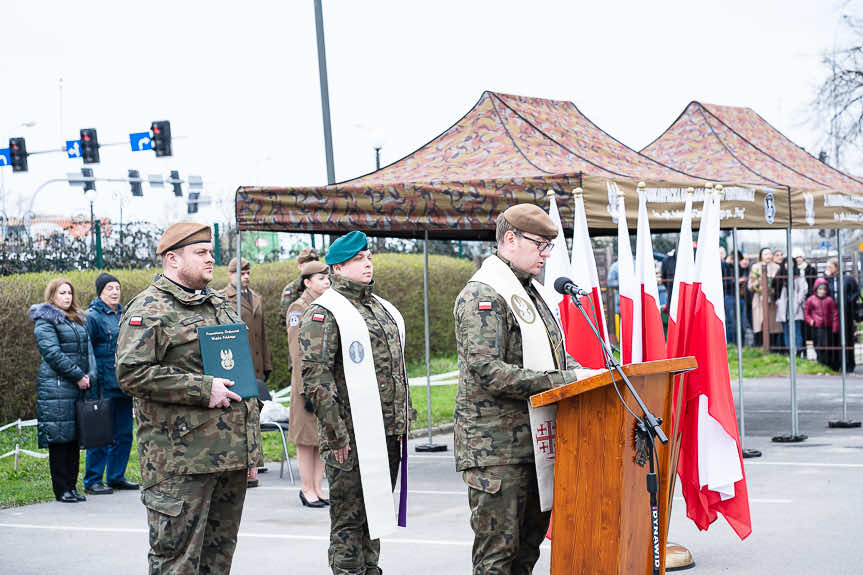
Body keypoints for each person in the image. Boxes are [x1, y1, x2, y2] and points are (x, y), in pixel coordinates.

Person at [453, 204, 601, 574]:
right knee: (497, 559)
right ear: (510, 239)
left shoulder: (530, 293)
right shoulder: (483, 297)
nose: (547, 255)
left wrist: (586, 374)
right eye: (540, 245)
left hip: (534, 445)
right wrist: (566, 382)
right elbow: (488, 370)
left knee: (526, 554)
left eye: (549, 246)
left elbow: (553, 361)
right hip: (497, 450)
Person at [116, 222, 263, 574]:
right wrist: (200, 388)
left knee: (218, 560)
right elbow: (131, 373)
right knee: (177, 563)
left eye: (211, 252)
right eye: (201, 253)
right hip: (179, 464)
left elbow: (240, 378)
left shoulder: (217, 303)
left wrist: (250, 448)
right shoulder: (149, 308)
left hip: (227, 459)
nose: (211, 259)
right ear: (172, 259)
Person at [299, 230, 414, 575]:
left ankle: (370, 570)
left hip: (388, 431)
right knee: (349, 524)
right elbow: (316, 379)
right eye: (358, 259)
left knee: (375, 516)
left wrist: (404, 421)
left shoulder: (380, 308)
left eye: (368, 257)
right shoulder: (325, 313)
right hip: (349, 437)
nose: (368, 264)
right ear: (337, 267)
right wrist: (336, 434)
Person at [30, 278, 97, 503]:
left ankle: (72, 486)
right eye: (62, 293)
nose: (67, 297)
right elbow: (52, 353)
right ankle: (62, 489)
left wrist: (89, 376)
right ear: (52, 296)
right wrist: (78, 375)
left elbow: (88, 351)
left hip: (78, 388)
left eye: (69, 292)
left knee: (73, 439)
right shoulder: (45, 321)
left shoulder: (77, 319)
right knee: (60, 440)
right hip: (57, 388)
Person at [83, 273, 139, 495]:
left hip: (123, 382)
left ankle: (116, 476)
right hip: (102, 384)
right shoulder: (92, 317)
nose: (115, 292)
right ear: (100, 293)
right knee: (100, 434)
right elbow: (86, 349)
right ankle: (93, 479)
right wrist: (90, 376)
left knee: (124, 433)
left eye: (117, 288)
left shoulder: (125, 314)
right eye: (109, 288)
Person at [220, 257, 273, 488]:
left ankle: (254, 460)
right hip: (236, 363)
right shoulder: (222, 298)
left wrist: (267, 364)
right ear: (231, 275)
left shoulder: (257, 298)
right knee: (238, 415)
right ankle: (240, 461)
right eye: (241, 273)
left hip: (256, 362)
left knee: (255, 413)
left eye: (248, 273)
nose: (245, 277)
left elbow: (262, 335)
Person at [287, 260, 331, 508]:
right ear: (307, 282)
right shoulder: (298, 308)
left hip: (322, 382)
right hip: (305, 383)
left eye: (327, 278)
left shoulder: (323, 306)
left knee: (320, 438)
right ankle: (307, 488)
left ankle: (318, 487)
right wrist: (305, 390)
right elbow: (297, 352)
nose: (326, 281)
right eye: (321, 278)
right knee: (306, 440)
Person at [823, 257, 859, 371]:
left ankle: (849, 364)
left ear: (836, 267)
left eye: (830, 266)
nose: (827, 269)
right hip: (832, 314)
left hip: (846, 313)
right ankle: (836, 363)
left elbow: (856, 292)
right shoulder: (827, 279)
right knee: (834, 339)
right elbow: (822, 290)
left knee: (847, 338)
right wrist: (826, 277)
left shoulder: (848, 279)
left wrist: (848, 301)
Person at [279, 247, 320, 325]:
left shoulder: (324, 285)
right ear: (300, 266)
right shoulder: (292, 289)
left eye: (316, 263)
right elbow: (286, 319)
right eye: (309, 263)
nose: (314, 266)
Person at [749, 247, 780, 347]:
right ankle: (759, 347)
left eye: (770, 254)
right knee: (760, 324)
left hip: (772, 300)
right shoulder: (755, 267)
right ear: (761, 256)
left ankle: (773, 348)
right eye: (766, 254)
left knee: (773, 324)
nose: (768, 256)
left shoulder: (776, 267)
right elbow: (750, 285)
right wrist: (758, 283)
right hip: (759, 299)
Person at [775, 259, 807, 357]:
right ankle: (789, 351)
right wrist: (778, 302)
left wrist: (798, 301)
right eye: (786, 262)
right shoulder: (779, 275)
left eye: (791, 263)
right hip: (783, 306)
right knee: (786, 331)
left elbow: (803, 289)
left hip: (795, 305)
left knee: (796, 330)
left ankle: (798, 350)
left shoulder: (799, 274)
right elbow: (775, 290)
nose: (788, 264)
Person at [805, 278, 839, 368]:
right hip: (817, 327)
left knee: (827, 346)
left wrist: (835, 327)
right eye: (820, 289)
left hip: (828, 327)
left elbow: (835, 313)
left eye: (824, 289)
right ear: (816, 289)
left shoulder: (829, 300)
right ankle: (820, 362)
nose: (822, 291)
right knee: (818, 345)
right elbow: (806, 313)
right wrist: (810, 321)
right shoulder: (810, 300)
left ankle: (828, 364)